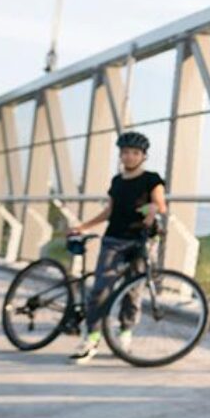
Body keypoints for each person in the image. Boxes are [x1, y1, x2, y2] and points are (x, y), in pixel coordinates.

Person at [67, 130, 166, 364]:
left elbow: (159, 205)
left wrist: (150, 210)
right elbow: (109, 211)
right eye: (126, 152)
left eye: (135, 153)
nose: (130, 156)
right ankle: (92, 337)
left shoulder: (152, 179)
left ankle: (124, 334)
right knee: (101, 289)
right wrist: (83, 226)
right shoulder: (117, 181)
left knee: (133, 290)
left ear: (144, 156)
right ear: (120, 155)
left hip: (140, 240)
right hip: (114, 239)